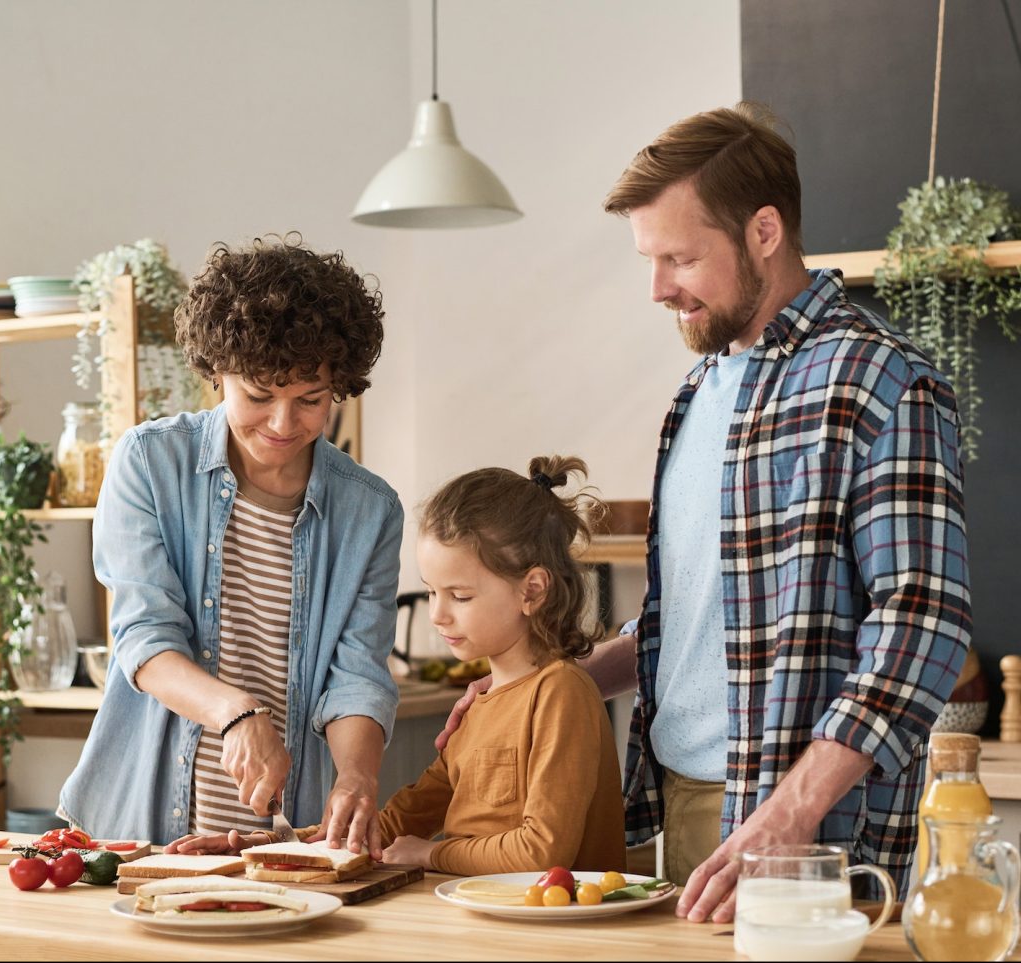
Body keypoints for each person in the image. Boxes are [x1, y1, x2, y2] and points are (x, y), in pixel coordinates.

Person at [440, 102, 971, 920]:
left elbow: (922, 625)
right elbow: (680, 622)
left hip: (808, 823)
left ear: (765, 231)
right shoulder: (698, 392)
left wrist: (790, 814)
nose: (657, 288)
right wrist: (549, 685)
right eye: (648, 260)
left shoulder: (882, 383)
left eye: (680, 257)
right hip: (679, 800)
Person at [59, 234, 403, 857]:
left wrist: (357, 775)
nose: (281, 425)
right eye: (259, 395)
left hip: (285, 831)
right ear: (216, 372)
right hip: (138, 825)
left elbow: (357, 677)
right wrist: (237, 712)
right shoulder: (150, 462)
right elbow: (144, 637)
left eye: (310, 400)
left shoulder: (369, 510)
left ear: (339, 386)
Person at [168, 456, 627, 877]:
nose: (437, 614)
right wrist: (263, 846)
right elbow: (388, 825)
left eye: (460, 596)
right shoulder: (477, 707)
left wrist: (430, 854)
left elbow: (543, 853)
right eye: (431, 592)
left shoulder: (561, 695)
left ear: (532, 591)